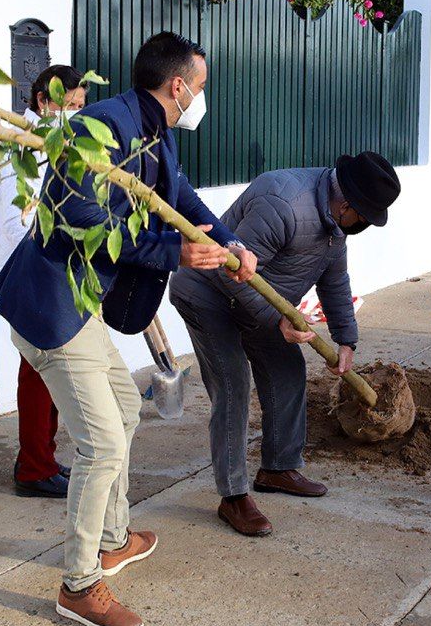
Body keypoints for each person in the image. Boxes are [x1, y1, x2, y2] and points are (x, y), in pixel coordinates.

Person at [0, 32, 258, 626]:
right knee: (103, 443)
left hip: (80, 304)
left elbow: (178, 198)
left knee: (126, 412)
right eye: (201, 87)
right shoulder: (102, 127)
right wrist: (174, 252)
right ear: (178, 85)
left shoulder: (152, 129)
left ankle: (113, 539)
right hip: (53, 306)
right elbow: (81, 219)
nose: (201, 98)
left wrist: (228, 240)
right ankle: (79, 584)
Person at [168, 153, 400, 537]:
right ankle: (233, 496)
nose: (364, 225)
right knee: (233, 384)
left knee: (287, 368)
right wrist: (276, 319)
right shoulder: (283, 204)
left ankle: (278, 468)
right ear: (347, 205)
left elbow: (334, 280)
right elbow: (230, 270)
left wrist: (346, 339)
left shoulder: (335, 224)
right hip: (208, 295)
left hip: (258, 304)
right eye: (364, 216)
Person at [0, 65, 86, 499]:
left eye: (81, 105)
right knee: (39, 372)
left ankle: (39, 458)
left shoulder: (56, 141)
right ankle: (34, 468)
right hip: (28, 270)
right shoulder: (18, 145)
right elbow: (17, 222)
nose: (76, 113)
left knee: (45, 372)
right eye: (69, 105)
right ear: (43, 101)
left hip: (45, 269)